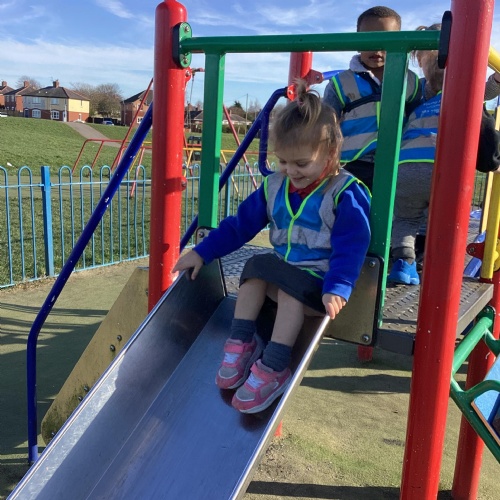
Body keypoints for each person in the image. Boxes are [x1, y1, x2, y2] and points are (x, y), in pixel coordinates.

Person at [173, 82, 371, 414]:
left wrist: (338, 286)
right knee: (254, 271)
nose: (291, 171)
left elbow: (352, 244)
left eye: (302, 163)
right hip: (285, 274)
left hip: (317, 285)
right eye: (283, 161)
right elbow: (239, 225)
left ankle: (275, 366)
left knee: (290, 292)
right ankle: (241, 342)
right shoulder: (275, 186)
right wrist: (201, 252)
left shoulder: (344, 192)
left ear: (330, 154)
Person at [388, 23, 500, 285]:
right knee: (447, 221)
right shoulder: (464, 92)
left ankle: (403, 263)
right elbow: (486, 106)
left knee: (405, 218)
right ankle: (440, 269)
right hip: (444, 168)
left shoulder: (421, 96)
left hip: (405, 167)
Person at [323, 6, 421, 190]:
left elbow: (416, 119)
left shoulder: (410, 81)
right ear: (358, 42)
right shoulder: (341, 83)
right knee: (354, 204)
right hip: (353, 163)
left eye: (386, 40)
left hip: (397, 160)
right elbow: (326, 125)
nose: (377, 48)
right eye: (371, 39)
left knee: (393, 205)